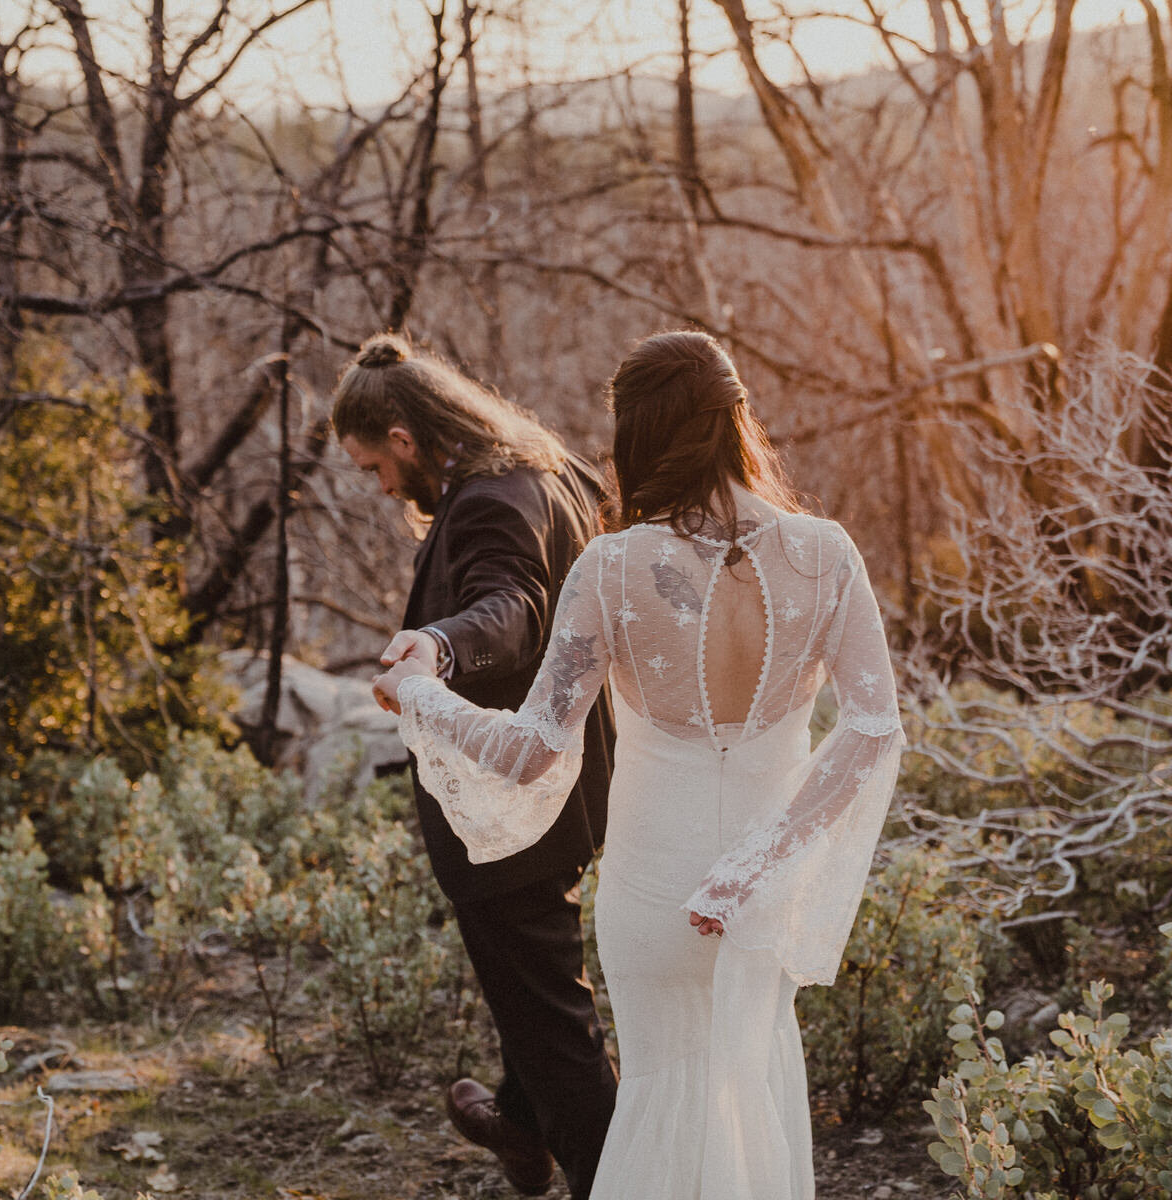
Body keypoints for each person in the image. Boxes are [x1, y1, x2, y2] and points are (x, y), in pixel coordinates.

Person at [374, 330, 906, 1200]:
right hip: (761, 893)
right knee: (747, 1088)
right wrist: (756, 869)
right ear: (737, 419)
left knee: (665, 1099)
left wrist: (424, 691)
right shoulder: (827, 554)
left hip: (655, 889)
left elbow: (531, 747)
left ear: (636, 438)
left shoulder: (613, 569)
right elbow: (873, 729)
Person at [333, 333, 619, 1200]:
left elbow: (516, 607)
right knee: (537, 993)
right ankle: (522, 1125)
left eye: (373, 466)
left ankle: (607, 1177)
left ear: (406, 439)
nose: (380, 486)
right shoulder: (551, 471)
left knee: (554, 1023)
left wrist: (438, 645)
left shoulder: (490, 500)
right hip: (570, 788)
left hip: (511, 813)